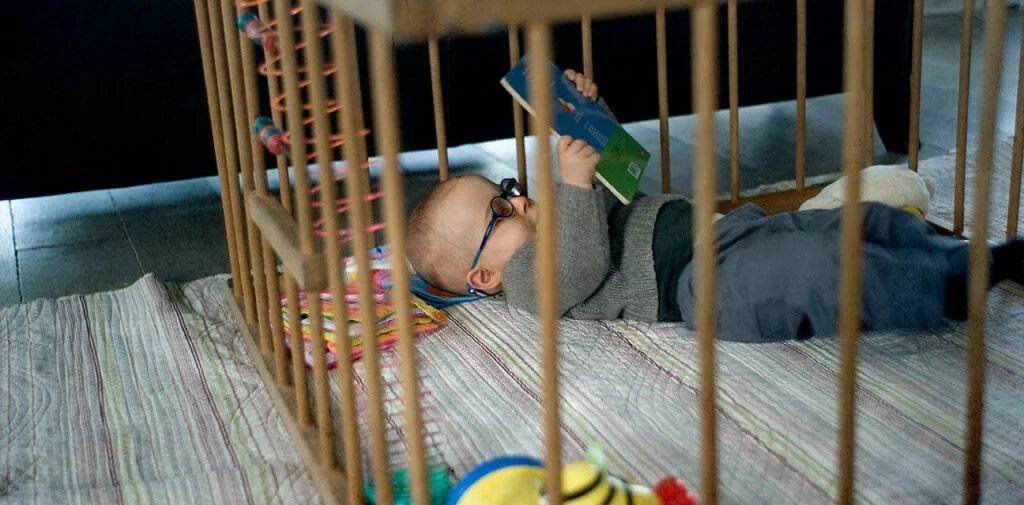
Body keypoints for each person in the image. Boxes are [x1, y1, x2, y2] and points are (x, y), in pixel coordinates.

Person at [405, 69, 1024, 342]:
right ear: (482, 276)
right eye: (500, 214)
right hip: (701, 284)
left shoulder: (567, 212)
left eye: (508, 193)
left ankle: (940, 249)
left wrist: (591, 120)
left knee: (839, 221)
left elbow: (623, 169)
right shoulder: (526, 283)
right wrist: (571, 186)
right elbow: (579, 268)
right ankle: (939, 286)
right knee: (813, 272)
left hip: (730, 230)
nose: (519, 202)